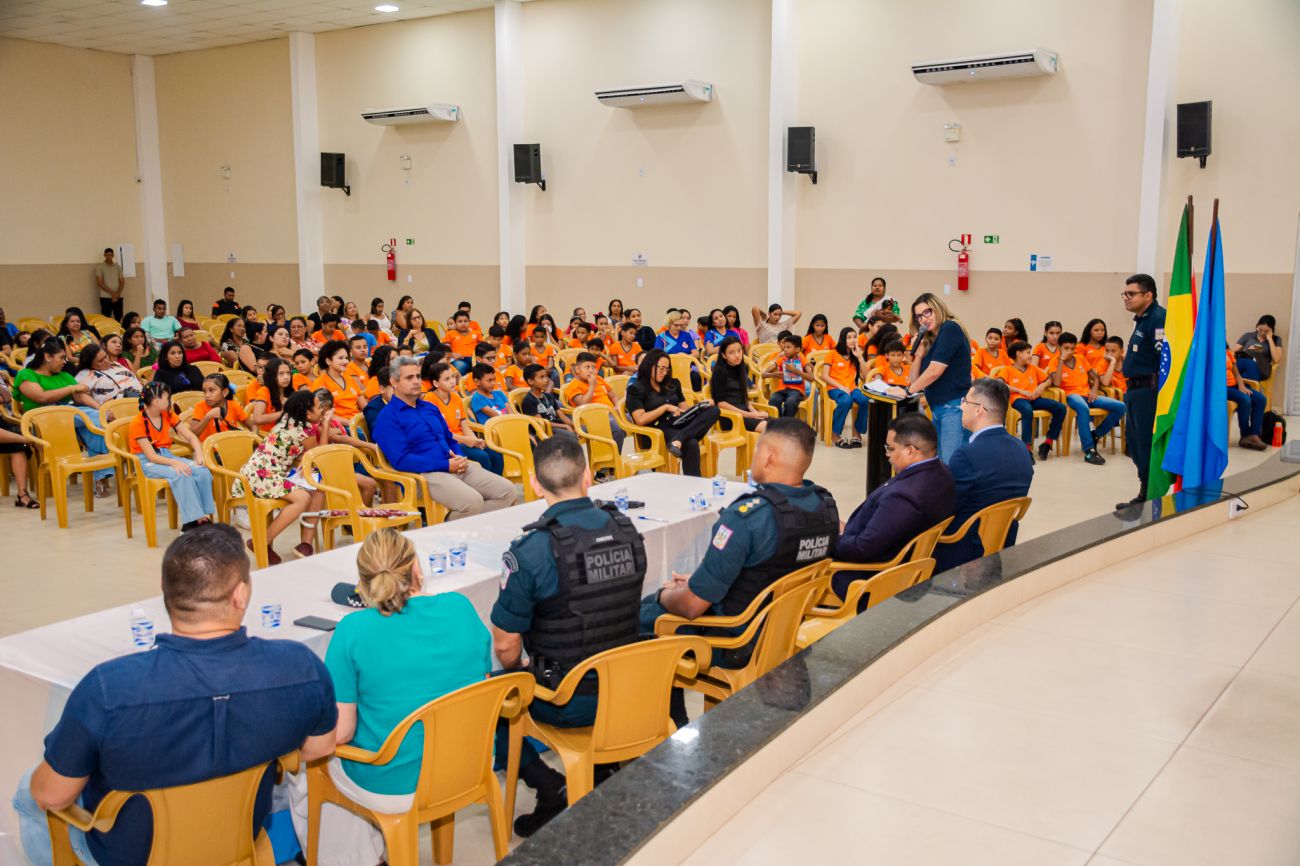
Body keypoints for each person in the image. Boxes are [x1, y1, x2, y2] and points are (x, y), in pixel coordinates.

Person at [12, 524, 337, 866]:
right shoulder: (301, 668)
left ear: (164, 592)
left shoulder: (108, 689)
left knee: (28, 789)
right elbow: (319, 747)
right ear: (241, 595)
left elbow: (51, 795)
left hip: (132, 856)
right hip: (238, 845)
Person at [289, 528, 491, 865]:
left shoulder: (353, 630)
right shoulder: (461, 607)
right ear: (416, 569)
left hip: (394, 785)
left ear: (363, 583)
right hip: (469, 766)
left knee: (309, 764)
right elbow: (481, 685)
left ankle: (353, 858)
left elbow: (341, 732)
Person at [490, 435, 648, 835]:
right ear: (588, 476)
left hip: (568, 699)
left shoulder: (532, 550)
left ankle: (550, 787)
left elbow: (505, 645)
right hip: (631, 689)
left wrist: (523, 668)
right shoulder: (626, 529)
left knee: (488, 697)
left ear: (534, 484)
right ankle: (603, 766)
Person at [643, 419, 838, 709]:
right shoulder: (825, 506)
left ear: (769, 456)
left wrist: (664, 594)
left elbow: (692, 606)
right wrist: (699, 581)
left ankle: (666, 724)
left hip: (736, 640)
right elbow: (772, 568)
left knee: (641, 617)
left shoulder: (748, 517)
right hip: (784, 630)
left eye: (758, 449)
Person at [374, 357, 518, 519]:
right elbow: (401, 460)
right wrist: (446, 465)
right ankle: (447, 528)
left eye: (418, 376)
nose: (416, 381)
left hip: (453, 464)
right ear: (394, 382)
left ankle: (463, 526)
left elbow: (449, 438)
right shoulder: (388, 417)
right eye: (409, 378)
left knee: (508, 491)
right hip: (424, 474)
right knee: (472, 502)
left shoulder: (429, 408)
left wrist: (459, 456)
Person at [834, 414, 954, 591]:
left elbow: (863, 548)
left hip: (871, 576)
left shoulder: (904, 496)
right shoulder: (942, 473)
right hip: (900, 556)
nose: (887, 455)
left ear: (910, 451)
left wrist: (829, 541)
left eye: (890, 448)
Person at [933, 379, 1034, 572]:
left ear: (979, 409)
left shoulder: (967, 455)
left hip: (961, 549)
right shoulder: (1021, 449)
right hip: (1001, 544)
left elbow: (945, 509)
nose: (961, 407)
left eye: (965, 401)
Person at [233, 388, 341, 562]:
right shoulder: (303, 430)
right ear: (307, 413)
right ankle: (261, 541)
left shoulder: (289, 419)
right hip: (263, 476)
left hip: (261, 472)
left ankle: (305, 545)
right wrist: (326, 423)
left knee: (317, 487)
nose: (321, 410)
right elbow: (319, 456)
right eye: (317, 407)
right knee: (302, 498)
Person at [14, 338, 114, 497]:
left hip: (70, 418)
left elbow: (80, 396)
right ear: (48, 357)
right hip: (42, 420)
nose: (64, 362)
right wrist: (71, 388)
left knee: (94, 427)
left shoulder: (64, 376)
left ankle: (100, 479)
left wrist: (100, 410)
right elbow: (41, 397)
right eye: (61, 358)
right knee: (90, 420)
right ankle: (105, 467)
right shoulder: (26, 374)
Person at [129, 380, 216, 531]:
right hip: (147, 462)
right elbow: (151, 456)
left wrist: (199, 454)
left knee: (202, 471)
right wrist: (175, 463)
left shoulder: (168, 414)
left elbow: (191, 436)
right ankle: (192, 522)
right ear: (156, 401)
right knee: (182, 474)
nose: (170, 401)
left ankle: (203, 515)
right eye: (167, 398)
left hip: (167, 456)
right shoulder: (137, 423)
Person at [626, 349, 720, 477]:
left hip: (678, 422)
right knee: (691, 443)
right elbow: (640, 419)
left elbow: (685, 409)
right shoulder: (636, 388)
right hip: (656, 430)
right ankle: (694, 484)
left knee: (713, 410)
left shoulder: (672, 384)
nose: (664, 373)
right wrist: (665, 408)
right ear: (649, 366)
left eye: (667, 369)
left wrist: (698, 408)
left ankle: (679, 439)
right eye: (661, 368)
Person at [903, 293, 973, 463]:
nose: (924, 319)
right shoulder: (932, 338)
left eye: (927, 312)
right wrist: (918, 355)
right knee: (940, 464)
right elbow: (915, 380)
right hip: (938, 408)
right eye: (919, 317)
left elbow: (935, 371)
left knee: (951, 465)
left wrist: (907, 392)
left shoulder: (950, 328)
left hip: (954, 408)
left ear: (937, 308)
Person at [1051, 332, 1124, 465]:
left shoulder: (1080, 358)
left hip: (1088, 394)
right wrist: (1061, 360)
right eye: (1066, 348)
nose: (1070, 351)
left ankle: (1096, 434)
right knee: (1083, 407)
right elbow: (1056, 383)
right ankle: (1089, 450)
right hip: (1071, 396)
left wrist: (1094, 390)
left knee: (1120, 406)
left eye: (1072, 348)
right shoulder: (1054, 362)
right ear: (1059, 347)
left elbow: (1095, 377)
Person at [425, 362, 505, 476]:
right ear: (436, 383)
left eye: (453, 377)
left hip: (463, 439)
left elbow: (464, 424)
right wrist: (466, 440)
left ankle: (496, 483)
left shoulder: (456, 397)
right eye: (447, 379)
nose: (452, 381)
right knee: (482, 456)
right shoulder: (429, 399)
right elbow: (439, 432)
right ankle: (483, 485)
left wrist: (475, 441)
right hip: (448, 443)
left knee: (495, 452)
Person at [997, 340, 1065, 460]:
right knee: (1027, 410)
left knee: (1060, 408)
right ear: (1018, 354)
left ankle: (1048, 442)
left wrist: (1041, 386)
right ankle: (1026, 447)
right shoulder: (1007, 370)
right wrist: (1020, 391)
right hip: (1018, 399)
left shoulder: (1033, 368)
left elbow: (1049, 379)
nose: (1030, 356)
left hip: (1035, 399)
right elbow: (1000, 383)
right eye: (1028, 353)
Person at [562, 352, 626, 450]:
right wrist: (592, 386)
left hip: (611, 413)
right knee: (618, 429)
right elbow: (583, 404)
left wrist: (617, 405)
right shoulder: (573, 386)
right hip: (592, 418)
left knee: (634, 419)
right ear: (578, 369)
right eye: (587, 367)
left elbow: (612, 395)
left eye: (593, 367)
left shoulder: (599, 379)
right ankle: (614, 457)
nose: (591, 370)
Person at [818, 327, 870, 448]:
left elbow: (865, 375)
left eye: (855, 337)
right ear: (842, 339)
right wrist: (840, 387)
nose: (853, 340)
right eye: (849, 337)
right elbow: (825, 376)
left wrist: (860, 357)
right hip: (835, 388)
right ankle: (835, 434)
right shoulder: (832, 354)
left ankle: (856, 433)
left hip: (852, 388)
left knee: (865, 400)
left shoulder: (855, 355)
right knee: (846, 401)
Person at [709, 336, 768, 434]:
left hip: (745, 413)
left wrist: (755, 412)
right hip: (731, 417)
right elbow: (720, 403)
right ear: (724, 355)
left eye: (739, 351)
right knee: (770, 428)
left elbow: (744, 398)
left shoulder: (741, 368)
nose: (737, 355)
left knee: (780, 424)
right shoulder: (720, 372)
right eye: (731, 353)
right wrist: (749, 415)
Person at [313, 340, 367, 422]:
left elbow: (365, 407)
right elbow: (325, 414)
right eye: (340, 358)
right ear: (328, 361)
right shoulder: (320, 383)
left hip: (358, 421)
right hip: (339, 425)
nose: (345, 361)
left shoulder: (350, 379)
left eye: (346, 358)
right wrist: (351, 424)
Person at [762, 332, 813, 418]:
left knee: (790, 402)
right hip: (781, 390)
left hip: (797, 391)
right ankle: (778, 422)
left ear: (797, 349)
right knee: (773, 400)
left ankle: (786, 423)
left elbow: (811, 378)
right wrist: (775, 374)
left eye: (788, 347)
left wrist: (795, 370)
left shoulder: (802, 361)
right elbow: (764, 374)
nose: (785, 349)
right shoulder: (781, 360)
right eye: (784, 347)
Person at [74, 343, 143, 406]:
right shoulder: (88, 374)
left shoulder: (116, 364)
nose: (106, 361)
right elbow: (79, 395)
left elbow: (137, 378)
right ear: (91, 364)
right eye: (101, 361)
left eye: (105, 356)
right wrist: (100, 409)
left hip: (142, 397)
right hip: (121, 406)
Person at [1227, 348, 1268, 450]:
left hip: (1234, 385)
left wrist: (1241, 386)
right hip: (1221, 388)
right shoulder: (1210, 353)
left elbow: (1236, 373)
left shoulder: (1227, 352)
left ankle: (1254, 434)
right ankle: (1245, 435)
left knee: (1261, 399)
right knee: (1245, 399)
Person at [189, 372, 250, 442]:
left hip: (231, 445)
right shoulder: (200, 406)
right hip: (209, 448)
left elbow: (252, 425)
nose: (207, 395)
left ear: (224, 392)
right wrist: (208, 417)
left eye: (211, 390)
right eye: (204, 391)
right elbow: (192, 434)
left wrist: (253, 437)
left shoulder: (234, 405)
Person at [520, 363, 576, 434]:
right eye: (542, 377)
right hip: (547, 430)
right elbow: (542, 422)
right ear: (530, 381)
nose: (546, 380)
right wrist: (565, 426)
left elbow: (562, 416)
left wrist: (576, 426)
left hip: (559, 425)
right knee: (569, 434)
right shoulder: (529, 400)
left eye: (546, 376)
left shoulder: (548, 396)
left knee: (584, 429)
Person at [246, 357, 295, 433]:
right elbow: (257, 418)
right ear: (272, 376)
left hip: (291, 430)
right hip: (269, 433)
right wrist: (283, 413)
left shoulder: (292, 391)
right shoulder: (264, 391)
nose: (286, 377)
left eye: (288, 373)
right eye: (281, 374)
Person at [1233, 314, 1284, 382]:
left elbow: (1276, 359)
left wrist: (1270, 339)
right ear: (1257, 326)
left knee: (1254, 350)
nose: (1262, 333)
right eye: (1260, 329)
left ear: (1272, 330)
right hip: (1245, 366)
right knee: (1239, 368)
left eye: (1266, 331)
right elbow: (1233, 351)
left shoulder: (1276, 339)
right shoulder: (1248, 335)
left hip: (1262, 369)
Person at [93, 247, 125, 322]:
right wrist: (112, 293)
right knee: (106, 318)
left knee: (119, 317)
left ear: (113, 255)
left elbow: (122, 282)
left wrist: (117, 294)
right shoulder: (100, 267)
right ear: (104, 255)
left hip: (118, 296)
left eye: (110, 255)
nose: (109, 257)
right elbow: (99, 283)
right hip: (105, 297)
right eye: (107, 255)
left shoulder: (118, 267)